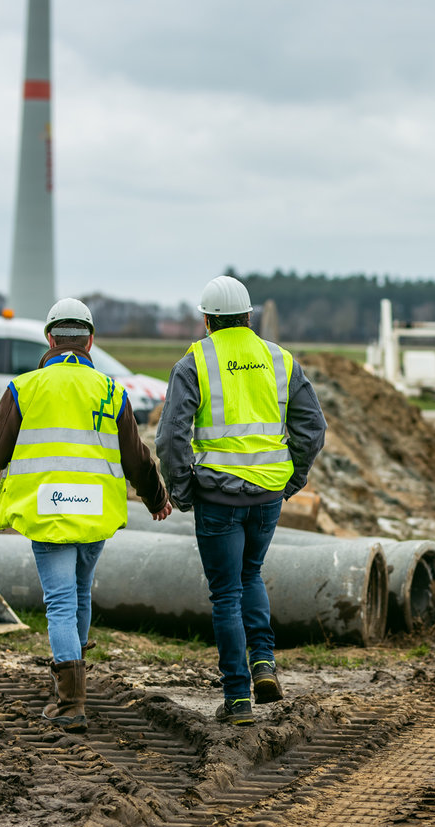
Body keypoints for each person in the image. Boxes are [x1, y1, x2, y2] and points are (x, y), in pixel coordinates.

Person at [0, 298, 172, 730]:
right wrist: (157, 498)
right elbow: (136, 457)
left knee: (59, 602)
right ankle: (73, 674)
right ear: (90, 341)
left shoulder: (25, 387)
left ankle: (71, 700)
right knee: (78, 594)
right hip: (95, 511)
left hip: (48, 508)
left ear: (50, 339)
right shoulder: (113, 391)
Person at [156, 275, 326, 726]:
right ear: (248, 317)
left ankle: (237, 699)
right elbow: (313, 429)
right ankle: (264, 664)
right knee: (251, 574)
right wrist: (292, 477)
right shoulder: (279, 358)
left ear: (207, 320)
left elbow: (171, 436)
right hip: (268, 495)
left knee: (226, 593)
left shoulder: (195, 361)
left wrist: (182, 488)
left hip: (218, 498)